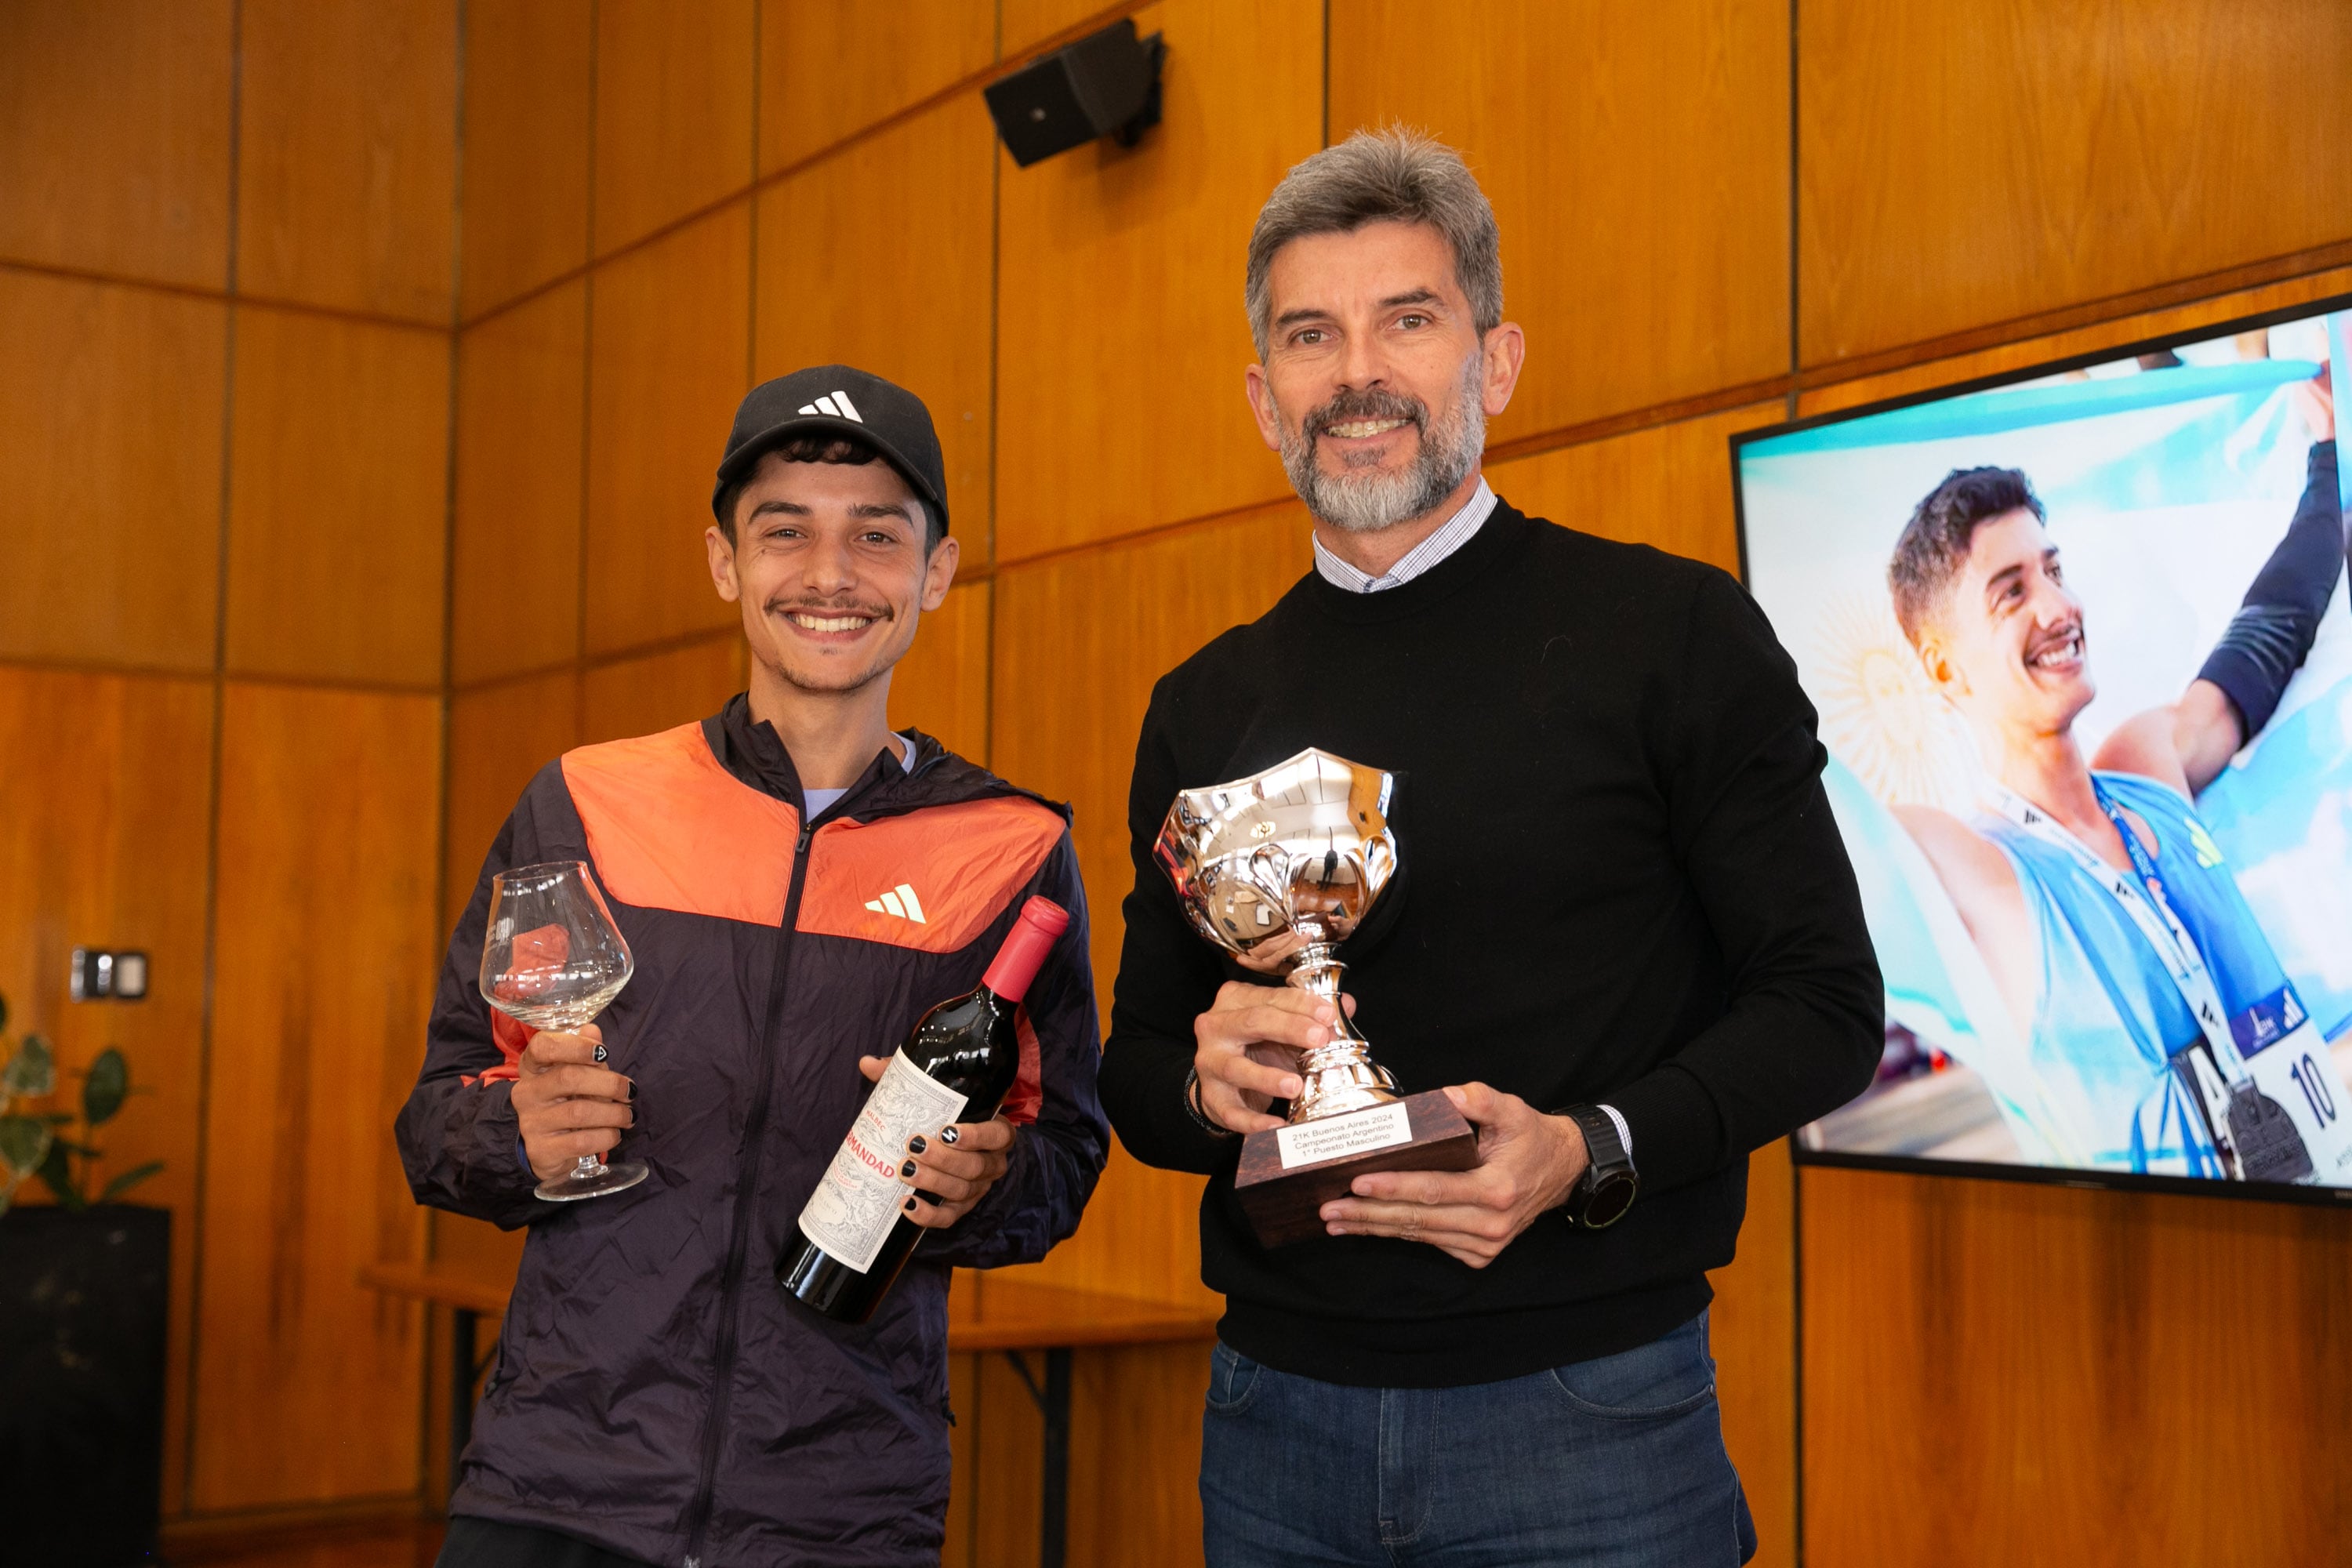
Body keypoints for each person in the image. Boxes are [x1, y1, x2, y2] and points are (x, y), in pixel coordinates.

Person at [1098, 129, 1884, 1566]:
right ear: (1263, 396)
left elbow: (1828, 1007)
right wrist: (1207, 1092)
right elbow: (1136, 1071)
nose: (1359, 376)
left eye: (1410, 319)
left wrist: (1591, 1148)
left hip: (1589, 1425)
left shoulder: (1672, 635)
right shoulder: (1201, 703)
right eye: (1311, 336)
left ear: (1495, 361)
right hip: (1273, 1422)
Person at [396, 365, 1107, 1568]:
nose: (830, 574)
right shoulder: (583, 801)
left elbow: (1064, 1156)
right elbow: (438, 1117)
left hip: (841, 1505)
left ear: (936, 573)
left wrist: (989, 1182)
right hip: (558, 1486)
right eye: (786, 531)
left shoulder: (1013, 851)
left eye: (876, 536)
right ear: (726, 559)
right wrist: (512, 1134)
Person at [1886, 384, 2345, 1178]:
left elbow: (2272, 629)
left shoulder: (2145, 766)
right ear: (1941, 664)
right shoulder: (1974, 867)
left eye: (2054, 569)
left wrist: (2327, 462)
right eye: (2012, 591)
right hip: (2172, 1276)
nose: (2061, 606)